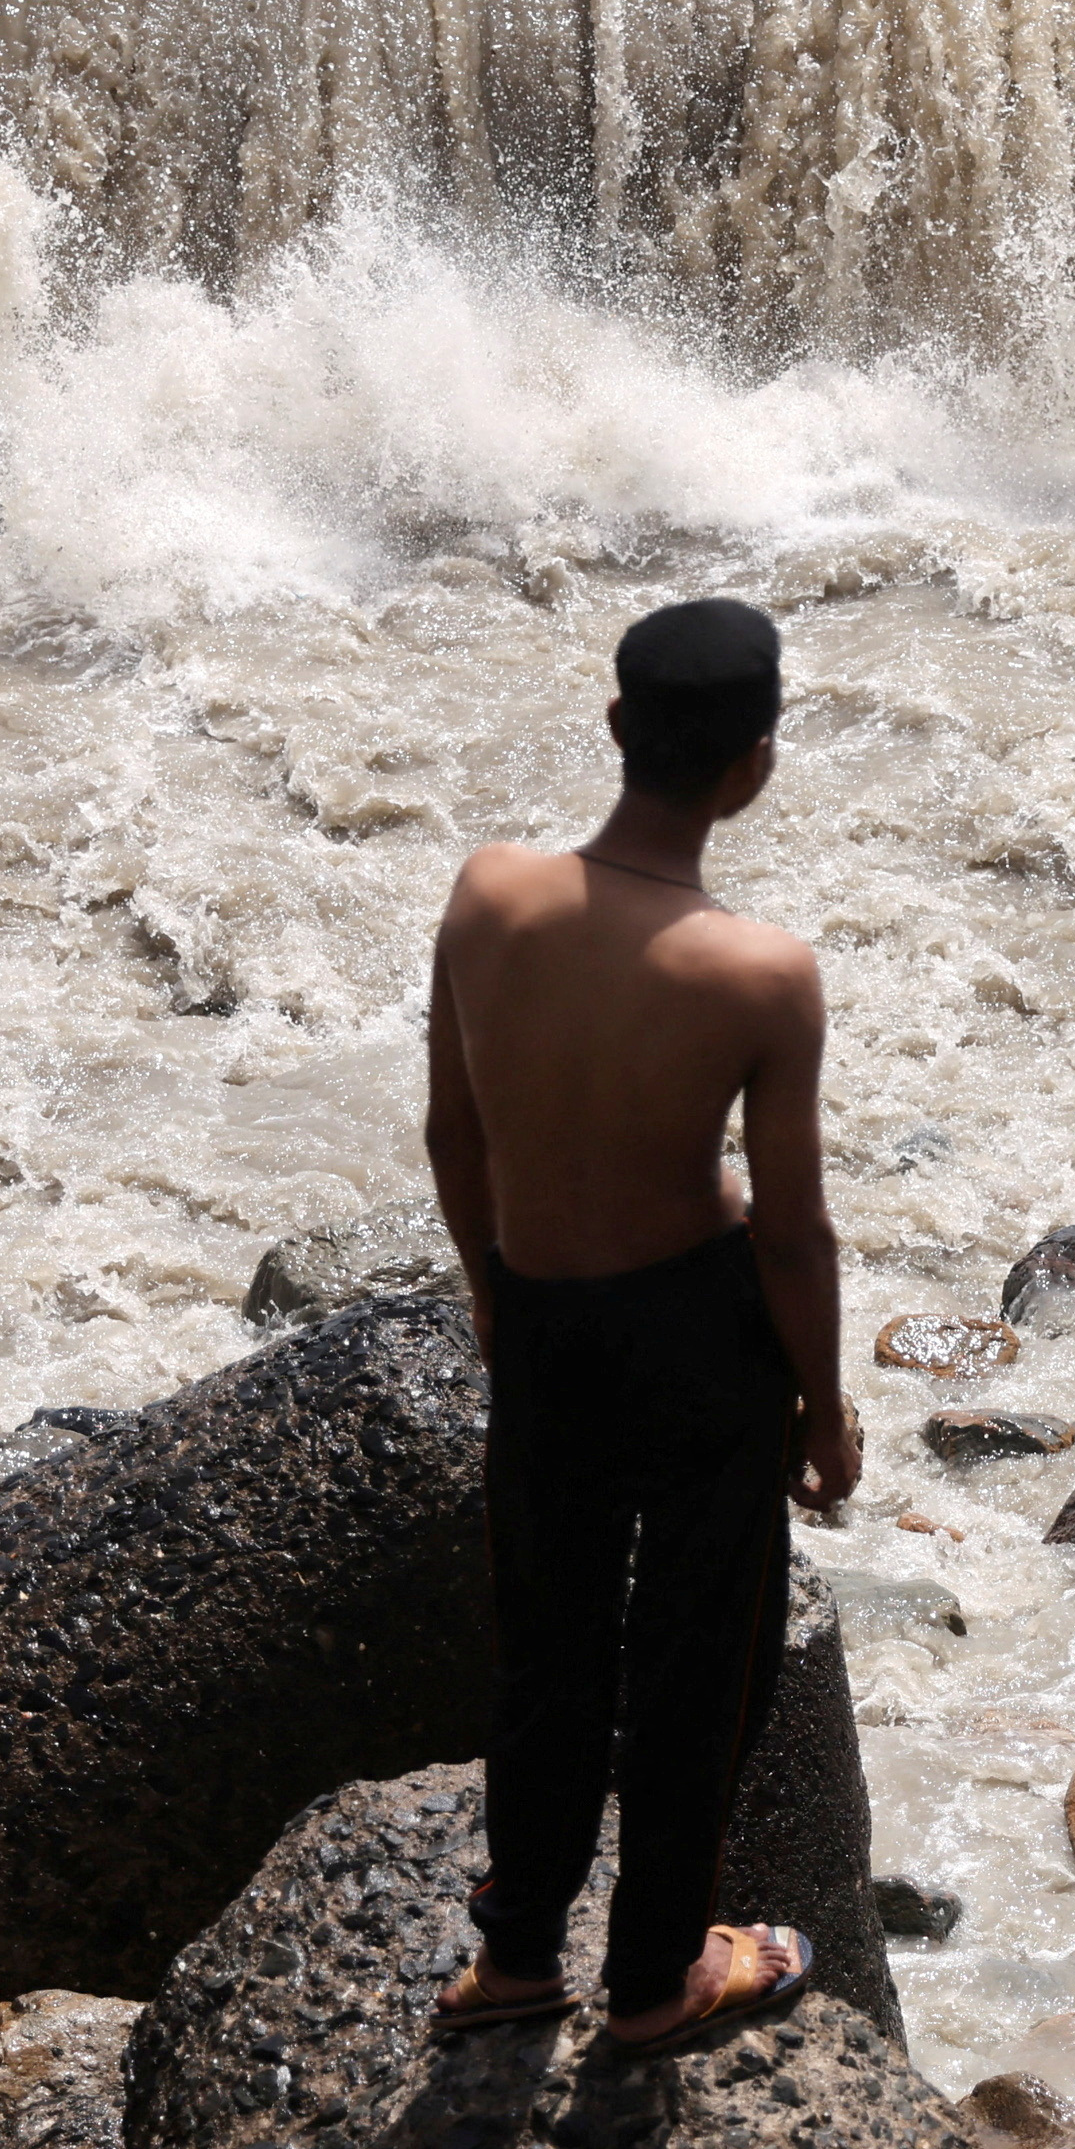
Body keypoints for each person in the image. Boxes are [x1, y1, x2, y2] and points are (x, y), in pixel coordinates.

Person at [420, 596, 859, 2061]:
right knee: (691, 1663)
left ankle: (520, 1955)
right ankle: (661, 1973)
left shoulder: (488, 895)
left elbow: (454, 1127)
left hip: (544, 1319)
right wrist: (826, 1407)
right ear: (757, 763)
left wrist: (496, 1294)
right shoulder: (759, 971)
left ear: (615, 727)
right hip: (698, 1339)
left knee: (545, 1645)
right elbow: (791, 1230)